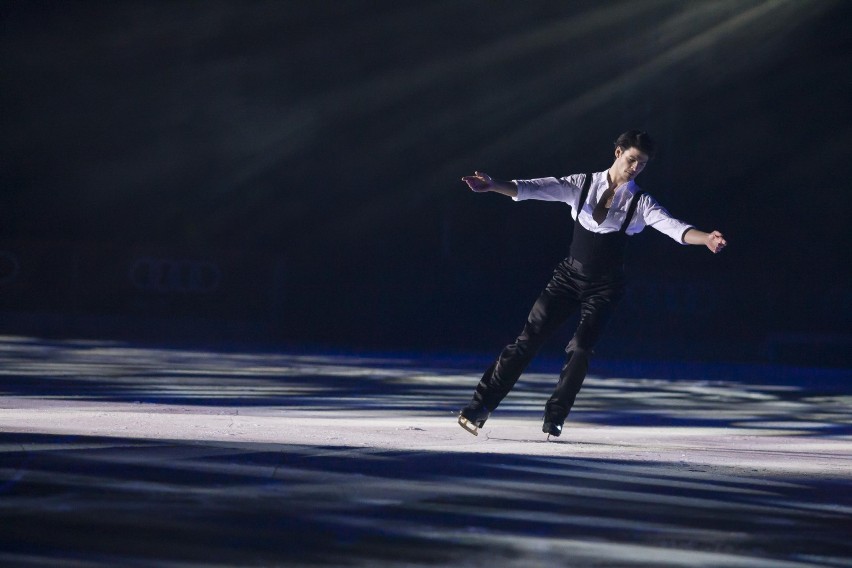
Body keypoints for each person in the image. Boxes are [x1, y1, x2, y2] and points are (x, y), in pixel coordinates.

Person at [457, 130, 727, 438]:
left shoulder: (640, 203)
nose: (635, 168)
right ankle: (480, 406)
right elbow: (533, 188)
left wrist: (704, 238)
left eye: (642, 164)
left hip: (605, 287)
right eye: (632, 159)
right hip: (568, 278)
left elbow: (672, 226)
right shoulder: (581, 184)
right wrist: (493, 185)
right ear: (618, 153)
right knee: (528, 340)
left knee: (582, 348)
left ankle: (555, 416)